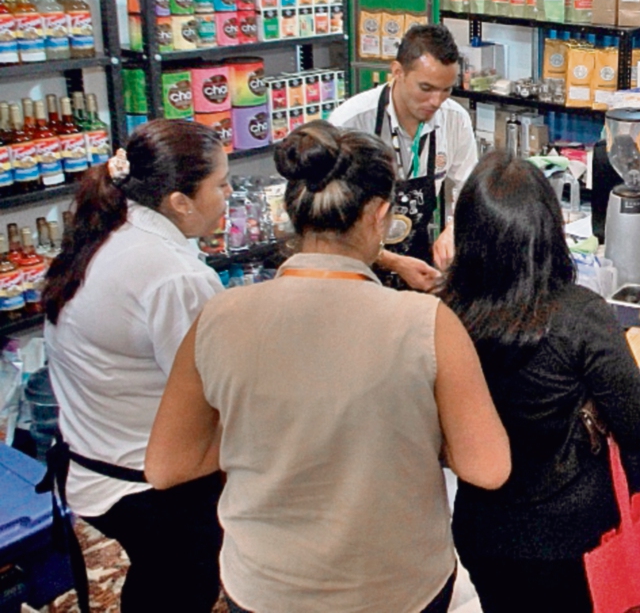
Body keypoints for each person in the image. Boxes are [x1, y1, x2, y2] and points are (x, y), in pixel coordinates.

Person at [145, 121, 510, 613]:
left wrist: (266, 432)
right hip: (397, 586)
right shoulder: (426, 322)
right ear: (379, 216)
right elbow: (488, 467)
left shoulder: (218, 317)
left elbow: (167, 466)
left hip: (263, 587)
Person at [442, 152, 640, 613]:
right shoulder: (579, 314)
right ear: (549, 230)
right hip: (571, 534)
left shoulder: (445, 314)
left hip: (482, 530)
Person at [42, 120, 230, 613]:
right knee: (181, 587)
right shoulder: (174, 275)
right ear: (180, 201)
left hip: (86, 454)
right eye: (222, 184)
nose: (229, 195)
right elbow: (216, 392)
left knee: (157, 581)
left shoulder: (112, 226)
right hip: (141, 482)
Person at [330, 23, 477, 291]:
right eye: (426, 88)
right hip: (356, 265)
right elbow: (331, 225)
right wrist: (394, 262)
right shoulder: (350, 123)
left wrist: (453, 229)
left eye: (446, 90)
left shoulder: (455, 120)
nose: (436, 101)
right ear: (397, 72)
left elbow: (468, 188)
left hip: (417, 257)